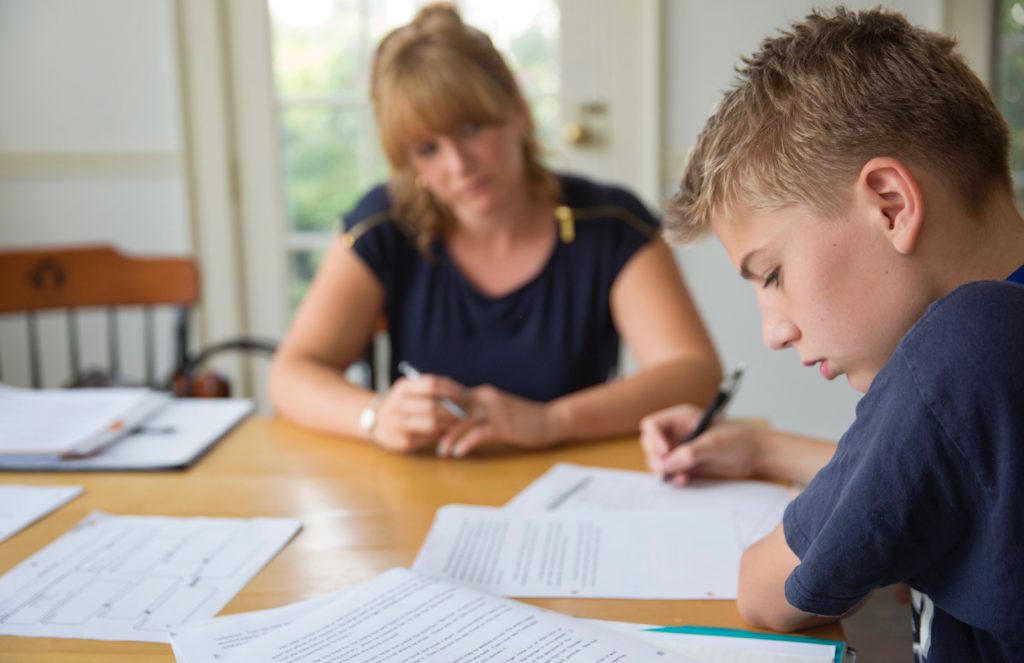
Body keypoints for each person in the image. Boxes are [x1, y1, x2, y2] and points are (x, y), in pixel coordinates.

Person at [640, 7, 1024, 662]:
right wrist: (762, 448)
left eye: (772, 274)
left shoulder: (967, 345)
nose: (774, 329)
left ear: (890, 206)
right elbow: (933, 473)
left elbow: (765, 590)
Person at [268, 3, 722, 458]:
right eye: (427, 149)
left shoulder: (609, 224)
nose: (458, 165)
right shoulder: (385, 224)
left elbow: (694, 373)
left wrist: (550, 422)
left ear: (517, 110)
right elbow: (290, 375)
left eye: (470, 128)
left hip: (572, 488)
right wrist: (375, 416)